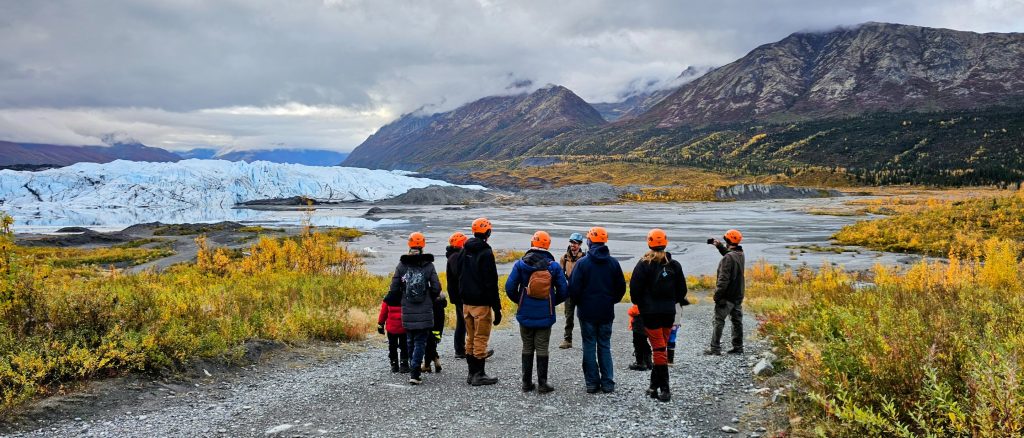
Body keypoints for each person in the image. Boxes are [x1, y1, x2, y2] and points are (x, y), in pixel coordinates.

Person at [505, 231, 569, 393]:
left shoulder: (520, 264)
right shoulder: (553, 266)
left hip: (525, 311)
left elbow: (509, 288)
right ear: (547, 245)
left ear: (532, 243)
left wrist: (520, 300)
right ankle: (542, 384)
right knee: (542, 347)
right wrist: (552, 302)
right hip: (545, 313)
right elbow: (563, 290)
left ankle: (526, 383)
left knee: (527, 346)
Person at [629, 229, 688, 402]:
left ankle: (665, 389)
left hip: (650, 313)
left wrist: (642, 305)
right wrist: (670, 301)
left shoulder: (643, 264)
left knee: (659, 349)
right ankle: (653, 387)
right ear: (665, 242)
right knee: (661, 346)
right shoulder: (674, 265)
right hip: (668, 312)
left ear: (649, 243)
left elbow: (634, 291)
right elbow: (682, 291)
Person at [567, 226, 626, 394]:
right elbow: (620, 288)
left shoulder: (582, 263)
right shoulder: (613, 263)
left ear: (589, 241)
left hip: (587, 313)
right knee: (605, 346)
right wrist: (610, 301)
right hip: (606, 312)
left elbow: (573, 289)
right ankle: (608, 383)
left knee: (589, 345)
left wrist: (582, 303)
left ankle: (592, 383)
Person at [385, 232, 441, 385]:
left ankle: (412, 369)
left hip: (407, 308)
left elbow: (394, 288)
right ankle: (415, 372)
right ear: (423, 245)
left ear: (409, 245)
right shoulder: (429, 265)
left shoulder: (402, 265)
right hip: (425, 308)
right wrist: (429, 295)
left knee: (409, 340)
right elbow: (437, 287)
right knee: (420, 341)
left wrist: (403, 296)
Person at [451, 217, 502, 386]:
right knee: (480, 338)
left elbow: (459, 275)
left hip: (466, 303)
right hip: (481, 303)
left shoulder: (464, 250)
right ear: (488, 232)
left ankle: (471, 373)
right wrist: (497, 307)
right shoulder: (486, 253)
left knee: (470, 338)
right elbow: (491, 282)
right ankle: (479, 374)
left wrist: (460, 297)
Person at [705, 229, 746, 356]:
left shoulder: (728, 258)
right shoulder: (740, 253)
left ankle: (715, 348)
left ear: (728, 241)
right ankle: (738, 347)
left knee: (718, 320)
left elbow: (723, 280)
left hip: (727, 296)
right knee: (737, 321)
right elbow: (730, 255)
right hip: (738, 295)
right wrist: (719, 246)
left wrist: (717, 296)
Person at [559, 232, 586, 349]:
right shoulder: (564, 258)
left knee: (584, 316)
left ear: (580, 244)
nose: (572, 245)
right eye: (571, 242)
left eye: (575, 243)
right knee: (568, 316)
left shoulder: (585, 258)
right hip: (569, 291)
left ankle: (587, 340)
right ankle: (567, 340)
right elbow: (560, 274)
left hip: (581, 291)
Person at [446, 232, 468, 359]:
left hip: (457, 294)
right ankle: (465, 350)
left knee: (462, 322)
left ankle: (460, 350)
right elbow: (459, 274)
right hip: (460, 295)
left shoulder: (454, 255)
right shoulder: (455, 257)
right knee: (466, 322)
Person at [377, 294, 409, 373]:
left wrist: (380, 324)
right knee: (404, 346)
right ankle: (404, 365)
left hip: (391, 328)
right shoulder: (406, 296)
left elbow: (383, 313)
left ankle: (394, 365)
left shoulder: (388, 298)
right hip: (404, 328)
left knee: (392, 346)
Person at [421, 291, 448, 373]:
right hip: (439, 325)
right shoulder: (439, 298)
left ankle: (427, 365)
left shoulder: (427, 296)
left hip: (429, 320)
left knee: (428, 342)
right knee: (433, 342)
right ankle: (436, 360)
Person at [626, 304, 652, 372]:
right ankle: (648, 362)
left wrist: (630, 311)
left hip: (640, 320)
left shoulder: (641, 297)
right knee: (644, 341)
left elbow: (634, 311)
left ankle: (640, 363)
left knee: (638, 342)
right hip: (650, 317)